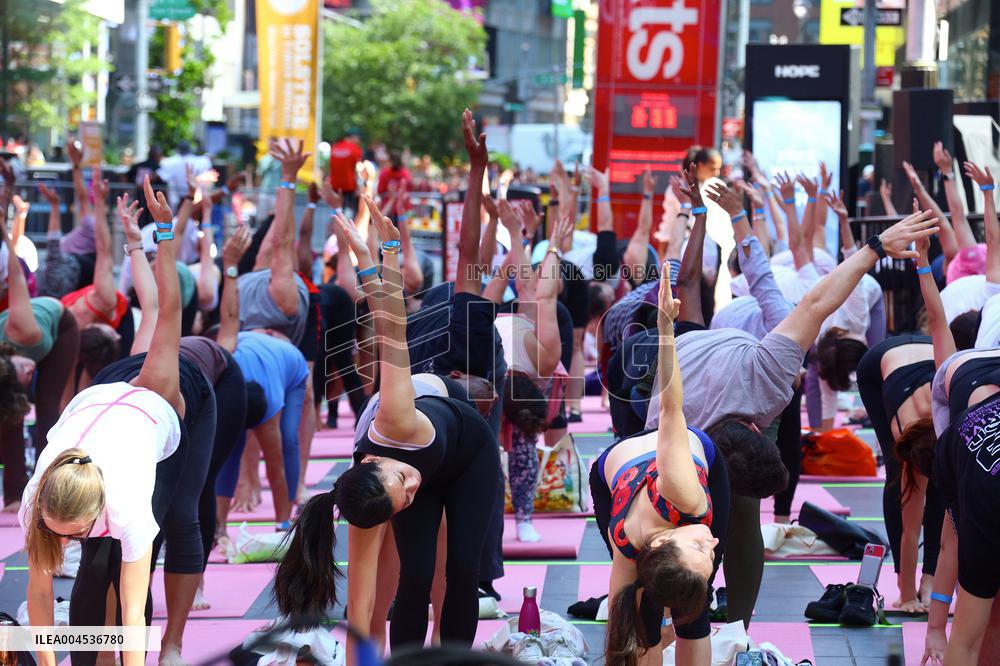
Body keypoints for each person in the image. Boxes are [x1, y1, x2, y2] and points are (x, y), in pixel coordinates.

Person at [645, 201, 941, 629]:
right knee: (678, 523)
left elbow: (818, 302)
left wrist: (875, 247)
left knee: (743, 511)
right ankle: (684, 612)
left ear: (760, 427)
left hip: (727, 366)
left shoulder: (770, 371)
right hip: (683, 378)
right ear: (756, 425)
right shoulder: (663, 432)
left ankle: (738, 629)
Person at [282, 188, 501, 656]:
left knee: (461, 569)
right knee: (413, 576)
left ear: (379, 463)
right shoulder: (366, 498)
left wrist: (384, 255)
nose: (414, 488)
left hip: (468, 451)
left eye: (403, 482)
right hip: (424, 455)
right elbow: (360, 605)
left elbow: (391, 327)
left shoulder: (395, 417)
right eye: (406, 498)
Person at [20, 177, 211, 666]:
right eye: (59, 533)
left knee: (178, 518)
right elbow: (39, 600)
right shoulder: (36, 500)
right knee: (94, 566)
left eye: (74, 535)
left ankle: (174, 643)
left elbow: (132, 614)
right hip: (103, 394)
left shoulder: (125, 502)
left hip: (172, 403)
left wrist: (164, 235)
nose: (63, 544)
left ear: (98, 507)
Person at [591, 262, 737, 666]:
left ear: (662, 541)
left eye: (698, 544)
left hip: (687, 454)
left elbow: (671, 411)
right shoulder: (630, 541)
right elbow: (620, 637)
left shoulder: (683, 494)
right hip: (615, 474)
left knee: (694, 608)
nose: (711, 541)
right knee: (639, 617)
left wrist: (667, 329)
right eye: (709, 551)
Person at [856, 221, 951, 615]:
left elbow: (936, 316)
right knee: (901, 486)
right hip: (879, 367)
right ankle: (910, 580)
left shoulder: (953, 384)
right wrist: (906, 596)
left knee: (946, 497)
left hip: (923, 359)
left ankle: (930, 578)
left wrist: (925, 260)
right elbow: (911, 532)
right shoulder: (906, 443)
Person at [0, 205, 80, 511]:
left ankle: (50, 490)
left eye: (25, 371)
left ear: (12, 357)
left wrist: (8, 233)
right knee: (11, 416)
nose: (31, 371)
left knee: (47, 404)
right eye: (26, 378)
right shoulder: (9, 374)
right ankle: (14, 495)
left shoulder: (23, 329)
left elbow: (17, 277)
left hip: (62, 327)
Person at [327, 129, 363, 214]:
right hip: (349, 185)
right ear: (354, 137)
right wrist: (359, 186)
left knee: (336, 209)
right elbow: (357, 169)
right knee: (348, 211)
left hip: (334, 184)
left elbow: (331, 166)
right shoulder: (355, 149)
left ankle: (334, 224)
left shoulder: (334, 147)